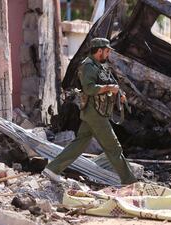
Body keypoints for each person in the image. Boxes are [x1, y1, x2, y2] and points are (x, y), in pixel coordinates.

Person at [43, 37, 137, 185]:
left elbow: (109, 83)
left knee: (78, 145)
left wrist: (119, 94)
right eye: (106, 51)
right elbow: (89, 88)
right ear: (99, 51)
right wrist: (109, 89)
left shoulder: (100, 66)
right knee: (114, 148)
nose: (108, 54)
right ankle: (130, 182)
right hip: (95, 114)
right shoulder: (87, 66)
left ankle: (53, 169)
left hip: (96, 112)